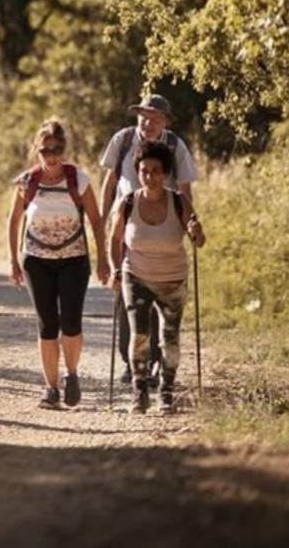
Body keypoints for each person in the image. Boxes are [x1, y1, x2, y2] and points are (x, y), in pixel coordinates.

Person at [7, 118, 110, 408]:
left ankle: (72, 373)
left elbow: (96, 220)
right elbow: (14, 220)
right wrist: (13, 260)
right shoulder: (28, 181)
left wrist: (103, 259)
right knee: (47, 324)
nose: (51, 156)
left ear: (63, 149)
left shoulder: (79, 179)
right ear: (37, 151)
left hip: (74, 259)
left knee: (71, 323)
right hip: (36, 261)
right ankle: (50, 388)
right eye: (45, 150)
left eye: (56, 149)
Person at [98, 93, 199, 389]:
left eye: (154, 117)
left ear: (166, 121)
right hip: (127, 224)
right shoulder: (123, 140)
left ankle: (155, 362)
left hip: (162, 229)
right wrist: (102, 221)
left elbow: (184, 189)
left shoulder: (174, 146)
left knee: (159, 302)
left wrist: (186, 224)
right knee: (128, 300)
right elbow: (110, 183)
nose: (147, 121)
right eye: (143, 115)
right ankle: (133, 366)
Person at [107, 139, 206, 414]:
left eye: (155, 171)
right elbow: (115, 241)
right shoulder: (128, 202)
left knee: (169, 338)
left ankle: (166, 393)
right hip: (136, 275)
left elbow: (199, 241)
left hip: (173, 279)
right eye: (144, 171)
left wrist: (196, 231)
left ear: (165, 173)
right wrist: (115, 269)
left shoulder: (179, 201)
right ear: (137, 172)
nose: (150, 176)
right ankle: (139, 394)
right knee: (139, 335)